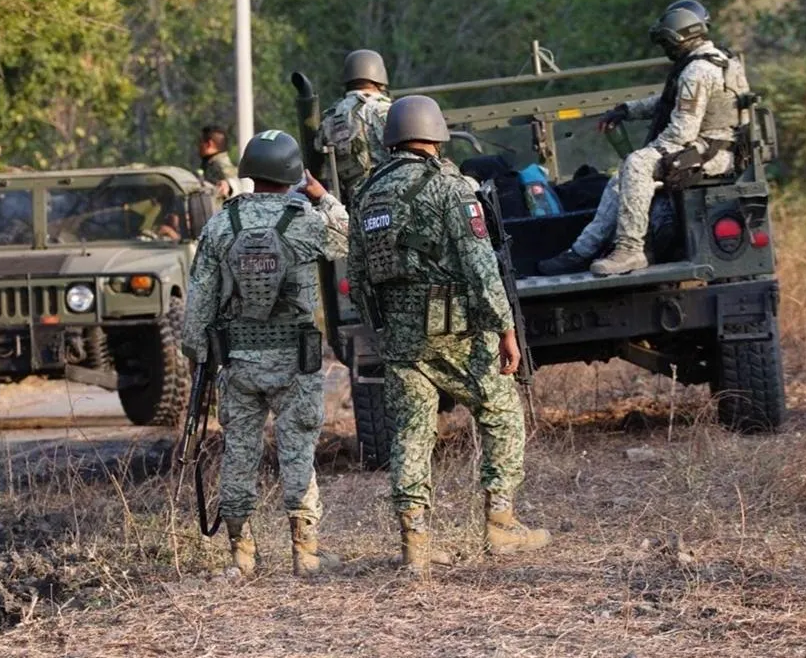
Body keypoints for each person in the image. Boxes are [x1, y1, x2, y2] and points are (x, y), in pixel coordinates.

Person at [347, 95, 551, 571]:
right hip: (455, 331)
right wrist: (505, 328)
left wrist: (383, 327)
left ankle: (415, 547)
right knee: (501, 412)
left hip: (399, 336)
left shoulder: (367, 193)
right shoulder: (451, 187)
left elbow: (357, 276)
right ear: (436, 134)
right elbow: (481, 267)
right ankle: (500, 524)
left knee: (411, 436)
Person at [182, 129, 349, 577]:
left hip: (237, 362)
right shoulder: (305, 221)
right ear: (293, 173)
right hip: (296, 361)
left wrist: (199, 354)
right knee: (298, 450)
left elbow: (198, 305)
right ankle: (305, 552)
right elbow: (348, 237)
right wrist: (322, 196)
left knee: (239, 452)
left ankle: (241, 555)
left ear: (249, 172)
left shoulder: (221, 225)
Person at [538, 0, 750, 276]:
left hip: (711, 153)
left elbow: (682, 131)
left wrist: (648, 156)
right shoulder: (718, 61)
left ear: (679, 36)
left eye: (666, 42)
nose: (666, 49)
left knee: (636, 164)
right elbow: (669, 103)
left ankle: (630, 250)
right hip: (716, 149)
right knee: (623, 176)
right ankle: (582, 250)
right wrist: (627, 110)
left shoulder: (697, 71)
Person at [315, 49, 393, 206]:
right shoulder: (381, 110)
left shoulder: (330, 117)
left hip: (349, 203)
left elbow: (319, 151)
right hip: (387, 198)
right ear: (380, 79)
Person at [198, 125, 243, 199]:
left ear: (209, 144)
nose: (199, 146)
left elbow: (237, 185)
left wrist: (229, 186)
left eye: (201, 142)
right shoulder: (210, 163)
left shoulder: (220, 164)